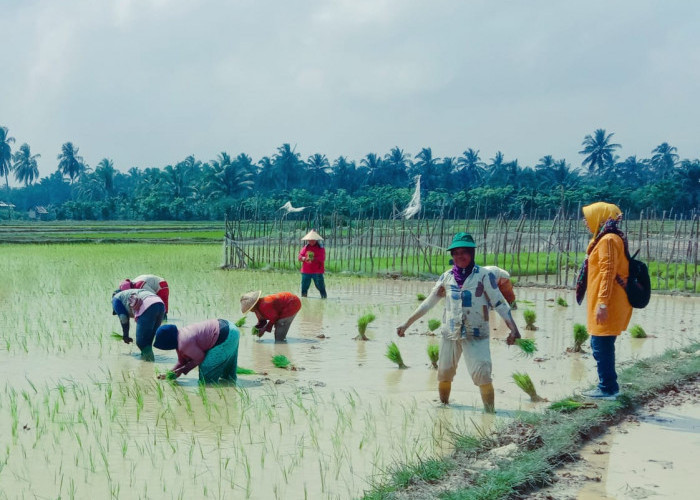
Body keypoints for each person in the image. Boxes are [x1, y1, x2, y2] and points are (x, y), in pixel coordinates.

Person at [396, 232, 521, 413]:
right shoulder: (446, 277)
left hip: (476, 333)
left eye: (464, 252)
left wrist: (514, 329)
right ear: (452, 255)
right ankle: (444, 408)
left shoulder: (484, 276)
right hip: (450, 333)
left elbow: (500, 303)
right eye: (455, 253)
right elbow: (428, 303)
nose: (460, 256)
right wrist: (406, 324)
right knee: (444, 373)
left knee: (483, 373)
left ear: (472, 254)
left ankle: (490, 414)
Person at [576, 202, 633, 400]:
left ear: (599, 217)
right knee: (602, 344)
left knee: (600, 345)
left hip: (608, 302)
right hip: (606, 301)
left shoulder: (608, 240)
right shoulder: (602, 239)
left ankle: (607, 388)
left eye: (588, 216)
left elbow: (608, 273)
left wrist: (602, 303)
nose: (585, 221)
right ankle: (609, 385)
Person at [153, 319, 240, 384]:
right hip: (230, 327)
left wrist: (184, 370)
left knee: (206, 379)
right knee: (228, 375)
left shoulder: (183, 343)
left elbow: (199, 358)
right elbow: (181, 361)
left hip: (225, 335)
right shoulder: (181, 335)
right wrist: (170, 373)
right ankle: (231, 387)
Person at [112, 288, 165, 361]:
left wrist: (125, 335)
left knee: (141, 342)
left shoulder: (115, 298)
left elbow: (123, 318)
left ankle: (149, 364)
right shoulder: (129, 293)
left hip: (148, 305)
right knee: (148, 342)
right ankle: (147, 365)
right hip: (160, 304)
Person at [298, 230, 327, 298]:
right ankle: (304, 299)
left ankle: (324, 298)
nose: (311, 241)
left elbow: (322, 258)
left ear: (316, 240)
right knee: (304, 287)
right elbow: (299, 256)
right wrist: (304, 258)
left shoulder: (320, 248)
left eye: (312, 240)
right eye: (309, 240)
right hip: (306, 271)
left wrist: (313, 259)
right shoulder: (305, 247)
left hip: (317, 271)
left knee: (320, 287)